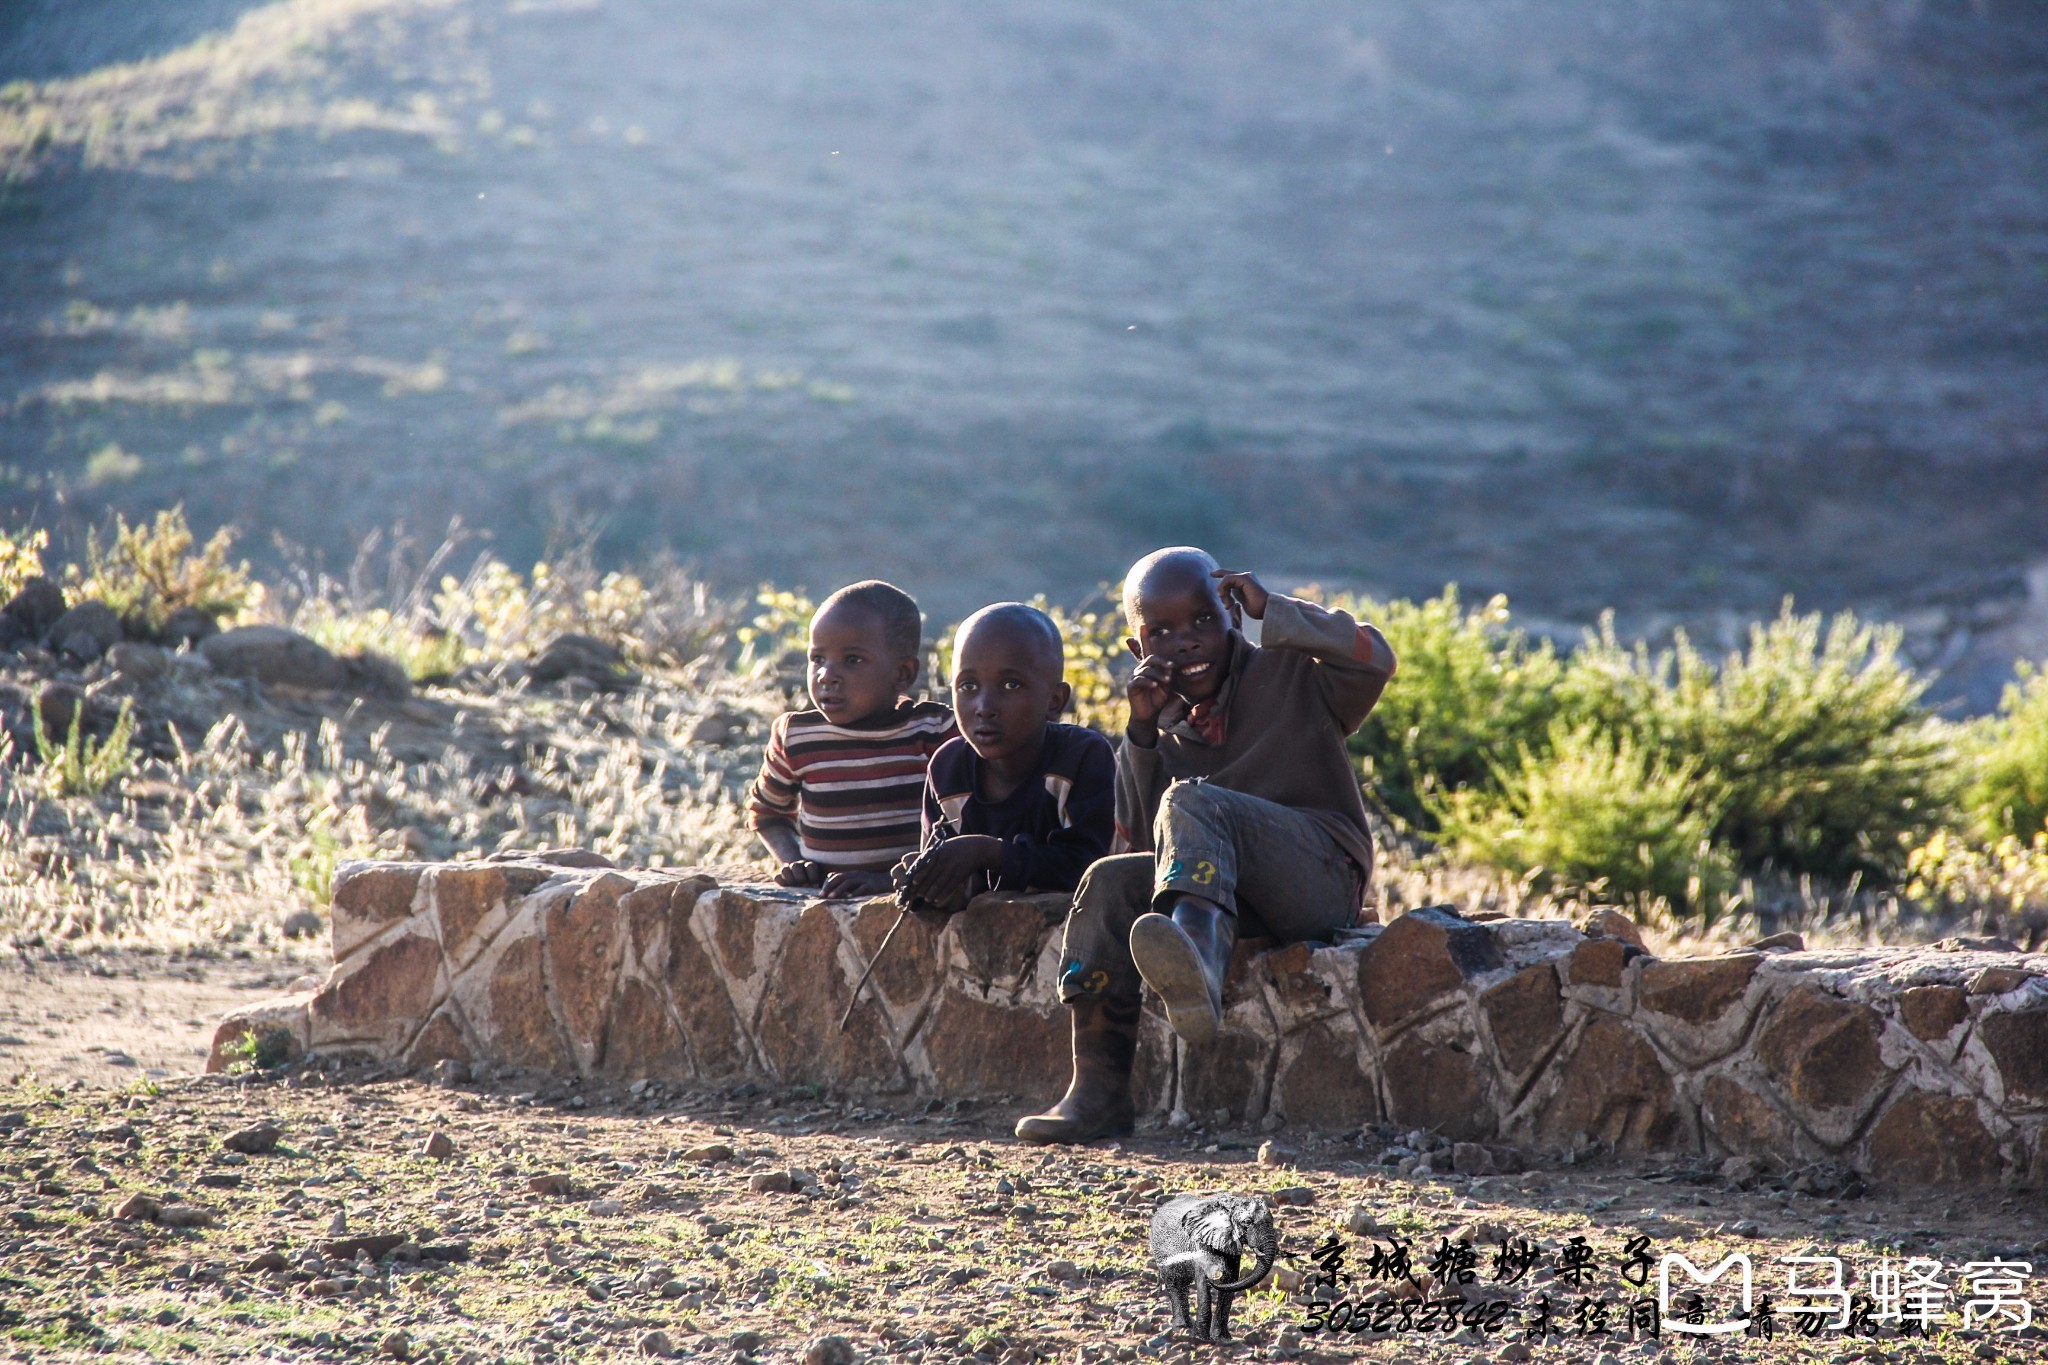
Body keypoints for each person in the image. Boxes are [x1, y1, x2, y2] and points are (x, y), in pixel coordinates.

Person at [1014, 547, 1397, 1144]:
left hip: (1319, 877)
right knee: (1110, 880)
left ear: (1232, 617)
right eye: (1161, 632)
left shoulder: (1292, 673)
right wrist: (1141, 735)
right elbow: (1146, 847)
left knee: (1192, 800)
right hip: (1232, 897)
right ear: (1140, 652)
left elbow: (1376, 659)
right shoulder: (1162, 730)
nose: (1186, 641)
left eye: (1202, 620)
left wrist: (1278, 613)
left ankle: (1198, 957)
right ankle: (1096, 1093)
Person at [895, 604, 1114, 913]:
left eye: (1011, 685)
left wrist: (990, 853)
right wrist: (930, 885)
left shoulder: (1081, 758)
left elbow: (1090, 872)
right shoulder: (948, 770)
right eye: (968, 686)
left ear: (1054, 701)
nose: (984, 706)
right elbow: (955, 884)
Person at [748, 581, 954, 899]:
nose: (826, 675)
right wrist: (794, 861)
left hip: (909, 897)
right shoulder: (796, 736)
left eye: (853, 660)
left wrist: (894, 880)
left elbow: (969, 820)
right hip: (826, 899)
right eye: (817, 658)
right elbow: (767, 813)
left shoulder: (934, 731)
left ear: (902, 674)